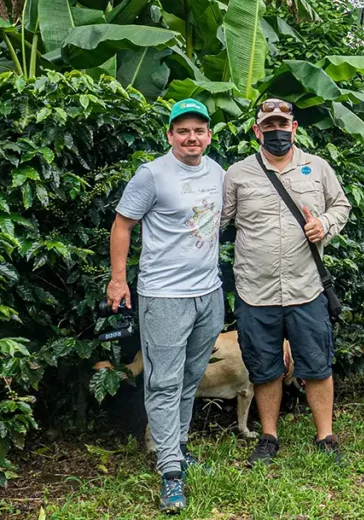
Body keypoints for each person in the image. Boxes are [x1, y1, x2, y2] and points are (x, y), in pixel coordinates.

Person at [108, 98, 225, 514]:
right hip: (164, 296)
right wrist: (119, 279)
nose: (191, 137)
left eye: (199, 130)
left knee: (192, 375)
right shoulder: (152, 174)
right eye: (183, 131)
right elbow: (122, 225)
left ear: (209, 135)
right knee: (163, 381)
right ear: (170, 135)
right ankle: (170, 472)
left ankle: (178, 447)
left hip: (209, 293)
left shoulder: (217, 172)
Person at [221, 98, 351, 466]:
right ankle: (268, 436)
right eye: (269, 125)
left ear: (294, 128)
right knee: (264, 367)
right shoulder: (238, 174)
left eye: (283, 125)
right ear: (257, 130)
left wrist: (323, 225)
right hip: (255, 288)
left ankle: (326, 435)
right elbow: (220, 221)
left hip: (305, 286)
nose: (277, 131)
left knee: (317, 364)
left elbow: (341, 206)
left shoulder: (318, 167)